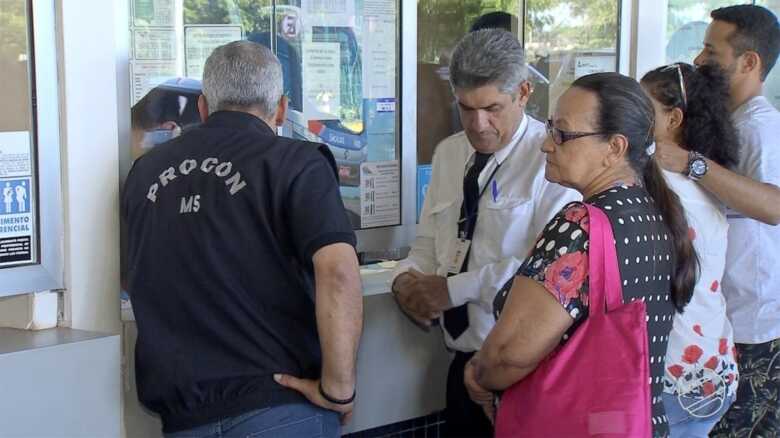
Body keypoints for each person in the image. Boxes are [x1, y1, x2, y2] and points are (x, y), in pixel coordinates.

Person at [122, 41, 362, 438]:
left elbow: (134, 275)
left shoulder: (145, 172)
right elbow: (338, 272)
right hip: (281, 407)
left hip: (184, 417)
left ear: (203, 107)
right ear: (282, 109)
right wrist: (338, 389)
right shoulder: (298, 163)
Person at [466, 72, 699, 437]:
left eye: (563, 134)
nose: (547, 144)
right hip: (636, 425)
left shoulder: (581, 226)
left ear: (615, 148)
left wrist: (480, 374)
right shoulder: (655, 214)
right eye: (549, 128)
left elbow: (509, 353)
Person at [390, 29, 578, 438]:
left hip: (526, 365)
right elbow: (427, 243)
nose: (479, 124)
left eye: (492, 107)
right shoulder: (449, 154)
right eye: (466, 108)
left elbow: (547, 270)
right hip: (462, 363)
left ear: (524, 92)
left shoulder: (553, 162)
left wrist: (453, 290)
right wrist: (406, 278)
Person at [653, 5, 780, 434]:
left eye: (710, 50)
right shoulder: (728, 122)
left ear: (749, 62)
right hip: (719, 320)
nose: (700, 60)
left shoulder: (762, 127)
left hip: (753, 327)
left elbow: (775, 205)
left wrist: (692, 163)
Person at [641, 62, 740, 437]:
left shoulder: (656, 184)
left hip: (672, 373)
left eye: (642, 105)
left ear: (673, 118)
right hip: (714, 364)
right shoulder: (711, 180)